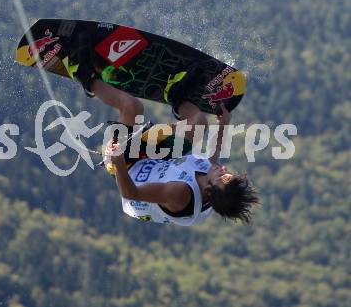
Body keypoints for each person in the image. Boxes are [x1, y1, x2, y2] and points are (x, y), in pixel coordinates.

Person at [75, 36, 258, 226]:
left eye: (223, 176)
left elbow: (131, 193)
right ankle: (175, 95)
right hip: (159, 160)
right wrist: (224, 123)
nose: (224, 169)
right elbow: (214, 158)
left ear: (209, 191)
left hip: (127, 168)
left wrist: (119, 162)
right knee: (199, 123)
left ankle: (84, 74)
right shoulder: (213, 186)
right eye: (228, 173)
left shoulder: (180, 195)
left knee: (132, 107)